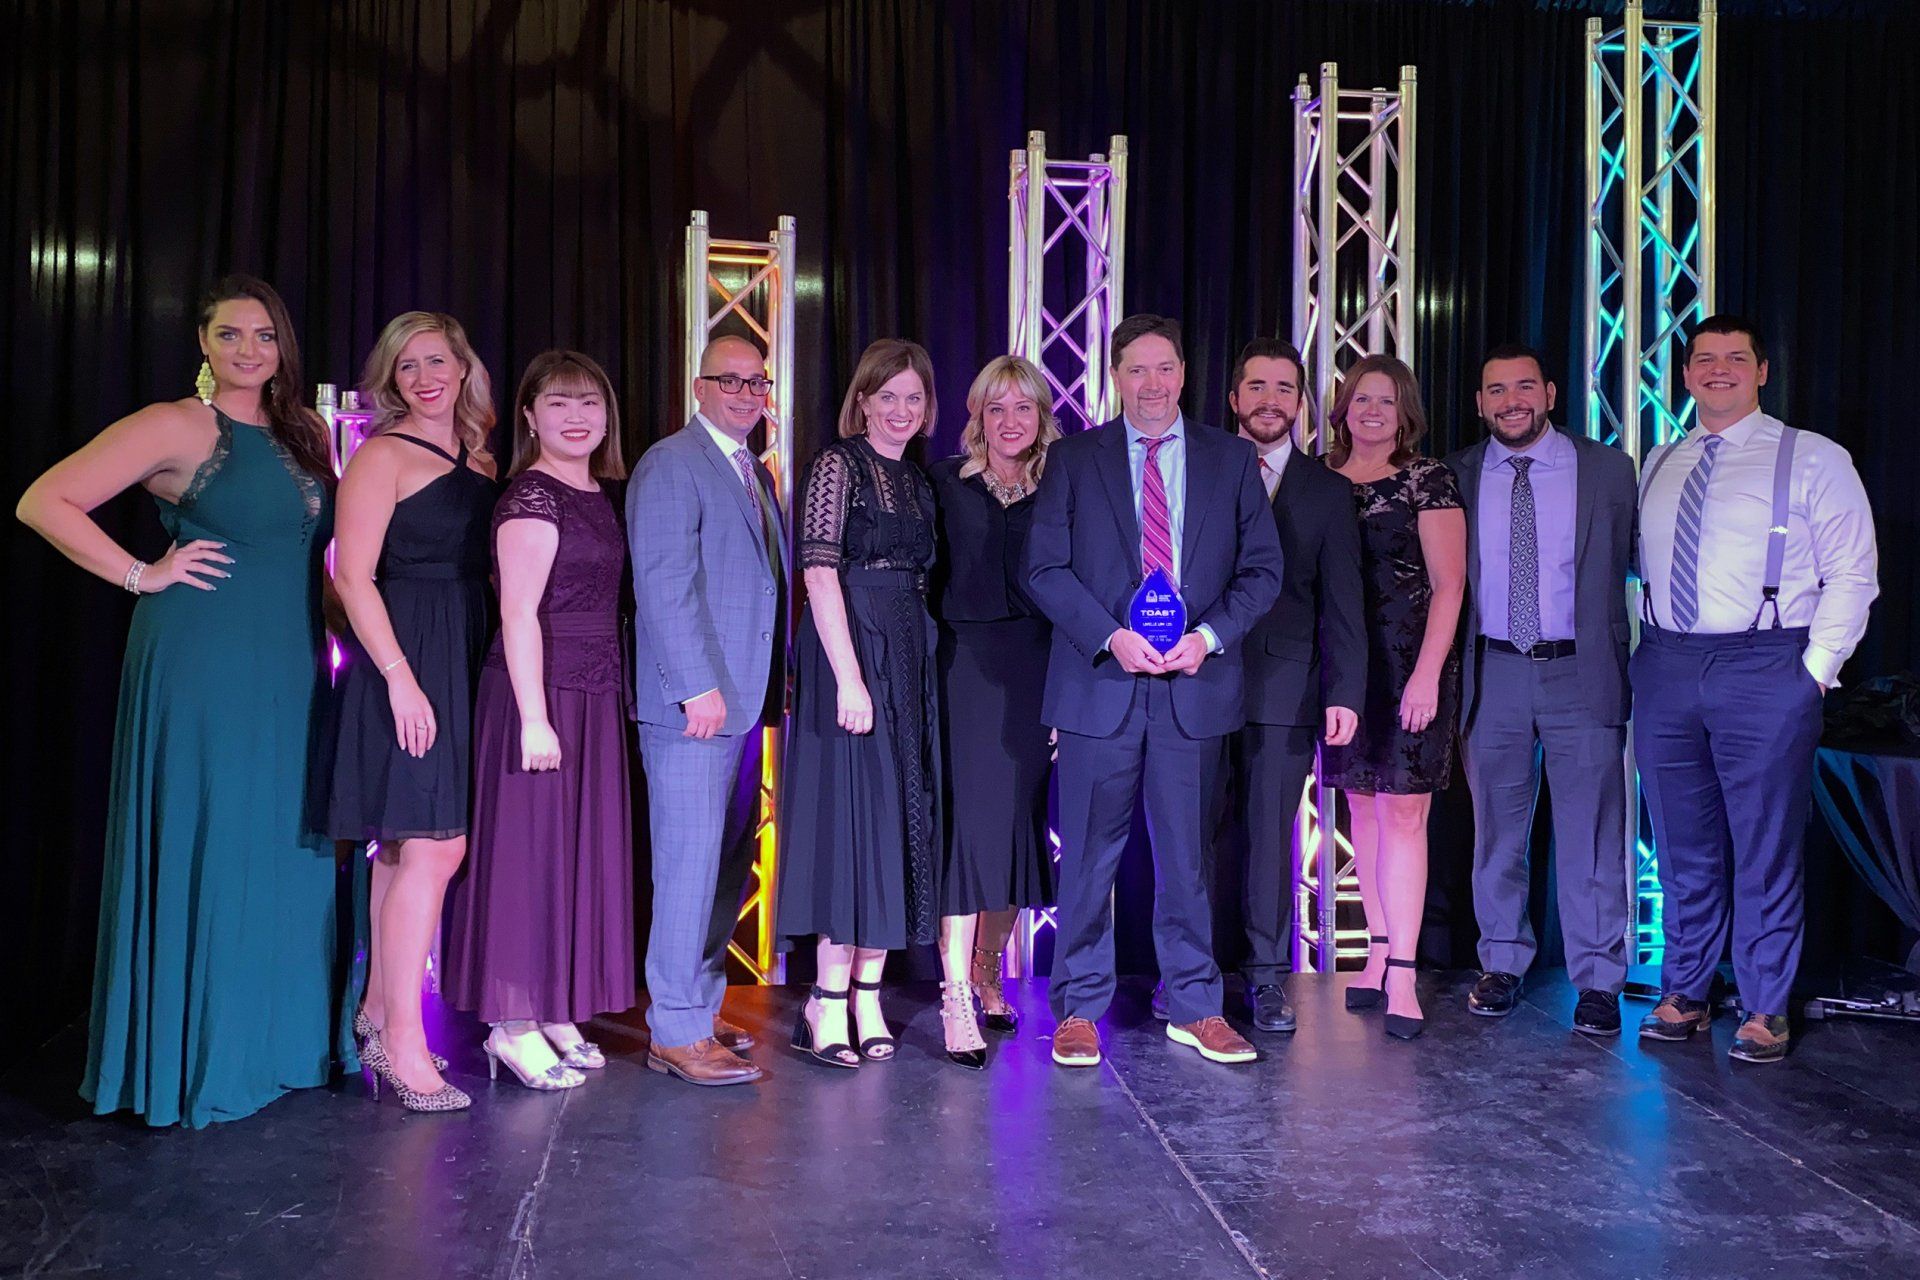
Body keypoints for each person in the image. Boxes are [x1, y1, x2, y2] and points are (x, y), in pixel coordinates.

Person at [17, 274, 340, 1127]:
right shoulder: (175, 424)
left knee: (285, 844)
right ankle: (200, 1059)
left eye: (264, 336)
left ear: (283, 347)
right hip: (203, 660)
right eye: (230, 335)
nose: (248, 350)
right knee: (217, 835)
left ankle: (278, 1044)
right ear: (203, 342)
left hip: (293, 662)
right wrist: (141, 573)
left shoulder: (301, 432)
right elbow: (43, 499)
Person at [1026, 313, 1284, 1069]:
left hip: (1193, 688)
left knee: (1188, 860)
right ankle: (1077, 1007)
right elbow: (1044, 568)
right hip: (1100, 684)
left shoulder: (1231, 461)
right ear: (1115, 377)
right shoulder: (1074, 459)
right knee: (1087, 859)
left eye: (1164, 368)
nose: (1152, 384)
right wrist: (1112, 636)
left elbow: (1262, 571)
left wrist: (1205, 639)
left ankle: (1196, 1007)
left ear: (1184, 374)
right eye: (1136, 370)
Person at [1633, 315, 1877, 1063]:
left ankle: (1766, 1004)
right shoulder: (1658, 460)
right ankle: (1687, 990)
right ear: (1684, 375)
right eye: (1704, 359)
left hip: (1768, 665)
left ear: (1762, 372)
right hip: (1667, 663)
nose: (1718, 370)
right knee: (1681, 844)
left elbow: (1854, 574)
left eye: (1735, 359)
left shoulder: (1813, 458)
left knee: (1765, 843)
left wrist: (1813, 672)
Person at [444, 351, 633, 1091]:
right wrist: (533, 718)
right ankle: (511, 1025)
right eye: (558, 404)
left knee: (573, 855)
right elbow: (516, 611)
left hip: (592, 694)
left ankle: (554, 1007)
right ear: (528, 416)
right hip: (540, 694)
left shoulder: (594, 491)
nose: (576, 417)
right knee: (527, 858)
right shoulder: (532, 495)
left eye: (589, 403)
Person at [327, 312, 497, 1111]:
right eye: (406, 366)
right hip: (406, 663)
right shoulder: (381, 455)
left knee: (407, 851)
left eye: (437, 359)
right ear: (390, 381)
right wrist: (397, 677)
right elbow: (352, 576)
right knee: (432, 850)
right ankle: (404, 1044)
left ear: (463, 367)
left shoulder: (486, 459)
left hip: (464, 659)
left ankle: (374, 1012)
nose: (424, 376)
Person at [1445, 344, 1637, 1037]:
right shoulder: (1456, 474)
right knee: (1497, 831)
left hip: (1580, 671)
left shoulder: (1609, 469)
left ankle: (1598, 981)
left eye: (1524, 385)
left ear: (1551, 392)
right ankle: (1502, 960)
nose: (1511, 400)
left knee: (1591, 832)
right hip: (1491, 670)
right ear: (1479, 403)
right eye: (1496, 389)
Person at [776, 340, 951, 1068]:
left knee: (899, 824)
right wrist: (849, 677)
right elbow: (818, 574)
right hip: (851, 650)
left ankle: (870, 996)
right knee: (851, 825)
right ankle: (826, 1000)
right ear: (863, 400)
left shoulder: (915, 479)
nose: (901, 410)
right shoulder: (836, 465)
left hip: (907, 652)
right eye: (889, 397)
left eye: (914, 398)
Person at [1181, 338, 1363, 1035]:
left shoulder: (1328, 490)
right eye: (1255, 386)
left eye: (1284, 388)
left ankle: (1263, 981)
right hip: (1194, 682)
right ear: (1233, 399)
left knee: (1267, 845)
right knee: (1187, 839)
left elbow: (1344, 603)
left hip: (1284, 693)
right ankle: (1189, 980)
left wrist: (1343, 691)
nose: (1269, 400)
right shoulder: (1191, 473)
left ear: (1300, 401)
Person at [626, 335, 784, 1088]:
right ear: (698, 386)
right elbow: (662, 582)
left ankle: (699, 1005)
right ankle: (674, 1031)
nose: (747, 394)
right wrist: (693, 684)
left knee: (724, 869)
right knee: (688, 867)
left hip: (742, 704)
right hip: (694, 706)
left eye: (758, 382)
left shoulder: (752, 470)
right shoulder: (670, 463)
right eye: (732, 380)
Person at [1319, 354, 1466, 1041]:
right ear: (1343, 406)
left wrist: (1427, 675)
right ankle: (1376, 951)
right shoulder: (1318, 478)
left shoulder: (1426, 478)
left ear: (1404, 410)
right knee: (1362, 812)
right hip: (1345, 674)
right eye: (1360, 399)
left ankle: (1404, 969)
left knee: (1405, 814)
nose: (1371, 411)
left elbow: (1450, 586)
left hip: (1412, 667)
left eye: (1385, 400)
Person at [930, 355, 1061, 1040]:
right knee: (969, 832)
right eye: (996, 408)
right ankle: (955, 991)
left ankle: (988, 972)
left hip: (1038, 673)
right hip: (962, 672)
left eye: (1023, 407)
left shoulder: (1064, 485)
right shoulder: (943, 483)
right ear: (977, 416)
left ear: (1041, 414)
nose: (1010, 421)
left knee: (1017, 827)